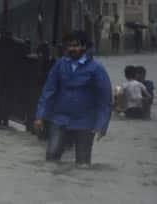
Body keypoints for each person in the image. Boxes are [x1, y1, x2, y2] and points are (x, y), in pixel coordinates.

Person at [34, 31, 113, 165]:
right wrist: (40, 116)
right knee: (51, 157)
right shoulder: (60, 65)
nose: (72, 49)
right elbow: (48, 91)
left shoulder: (96, 69)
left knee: (83, 163)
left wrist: (101, 125)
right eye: (69, 46)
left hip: (85, 121)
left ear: (84, 47)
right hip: (60, 118)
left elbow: (105, 100)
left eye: (76, 46)